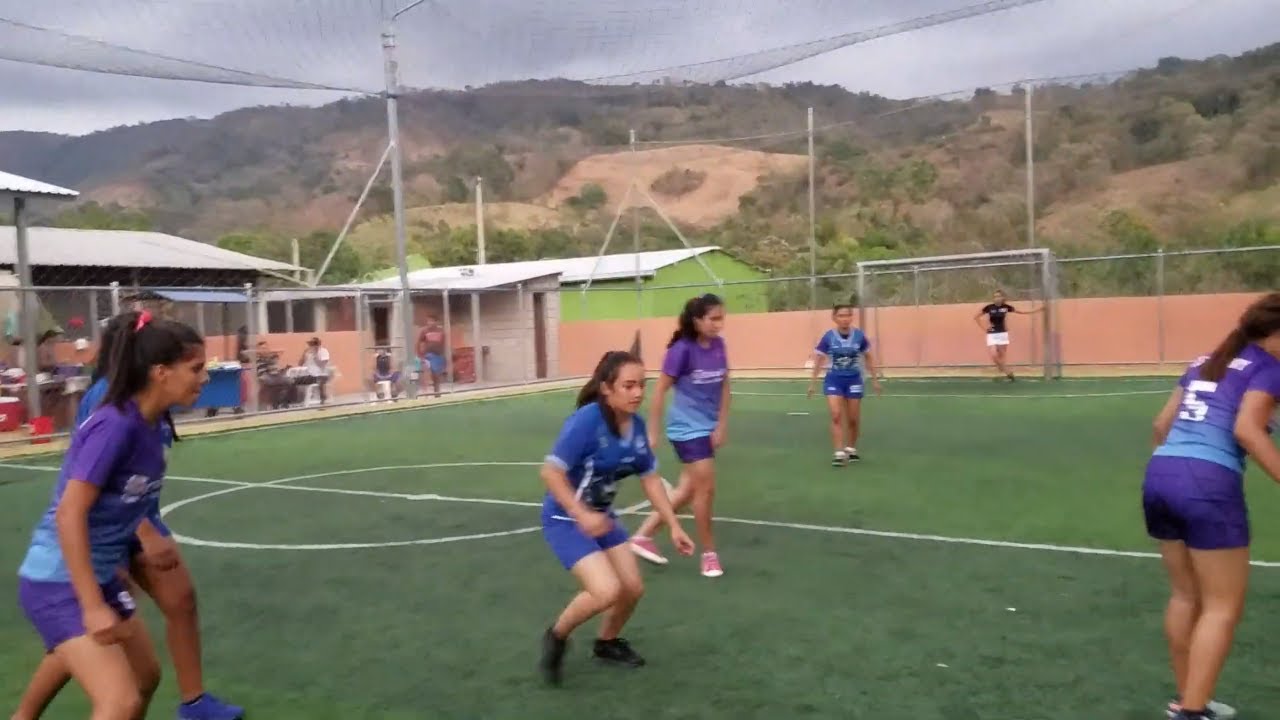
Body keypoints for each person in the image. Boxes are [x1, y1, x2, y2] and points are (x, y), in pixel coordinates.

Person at [12, 312, 243, 720]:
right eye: (195, 368)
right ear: (159, 372)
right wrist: (92, 604)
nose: (205, 378)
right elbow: (69, 513)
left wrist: (142, 541)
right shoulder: (114, 425)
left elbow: (123, 504)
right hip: (55, 581)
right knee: (119, 702)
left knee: (144, 678)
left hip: (98, 574)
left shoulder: (151, 427)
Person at [1145, 292, 1280, 720]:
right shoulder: (1271, 368)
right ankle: (1192, 711)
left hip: (1161, 474)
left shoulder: (1206, 360)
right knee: (1223, 606)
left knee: (1186, 596)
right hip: (1207, 484)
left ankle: (1188, 700)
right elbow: (1247, 430)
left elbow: (1161, 425)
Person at [538, 350, 694, 685]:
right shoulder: (586, 421)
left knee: (633, 588)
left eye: (642, 385)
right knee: (606, 590)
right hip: (566, 519)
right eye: (629, 385)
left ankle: (606, 643)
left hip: (602, 518)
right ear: (607, 388)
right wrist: (581, 514)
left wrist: (675, 525)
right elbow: (550, 473)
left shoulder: (636, 427)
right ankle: (556, 636)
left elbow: (650, 479)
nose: (638, 392)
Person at [628, 293, 730, 578]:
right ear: (697, 320)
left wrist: (721, 424)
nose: (719, 325)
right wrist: (652, 430)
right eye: (713, 319)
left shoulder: (720, 346)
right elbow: (659, 389)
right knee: (705, 490)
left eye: (722, 318)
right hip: (686, 429)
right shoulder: (682, 350)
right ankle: (709, 554)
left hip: (708, 427)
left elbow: (725, 386)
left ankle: (642, 536)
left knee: (686, 490)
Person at [807, 303, 882, 466]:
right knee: (836, 414)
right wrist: (812, 383)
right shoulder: (828, 337)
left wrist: (875, 380)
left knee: (853, 418)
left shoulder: (859, 336)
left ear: (851, 317)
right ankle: (839, 452)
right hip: (834, 379)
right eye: (841, 316)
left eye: (847, 315)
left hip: (854, 380)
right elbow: (819, 359)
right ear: (834, 318)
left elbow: (868, 357)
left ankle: (851, 448)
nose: (844, 319)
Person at [973, 290, 1042, 381]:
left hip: (1002, 334)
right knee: (993, 354)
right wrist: (985, 328)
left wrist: (1037, 310)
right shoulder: (989, 308)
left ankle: (1005, 372)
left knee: (1002, 356)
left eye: (999, 296)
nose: (997, 298)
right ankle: (1007, 371)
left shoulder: (1006, 307)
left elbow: (1022, 311)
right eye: (995, 296)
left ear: (1003, 298)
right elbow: (976, 317)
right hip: (992, 334)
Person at [416, 317, 446, 397]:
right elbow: (419, 343)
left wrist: (444, 355)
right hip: (428, 355)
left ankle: (437, 393)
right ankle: (426, 393)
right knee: (426, 372)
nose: (430, 323)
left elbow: (444, 344)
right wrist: (420, 355)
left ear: (436, 322)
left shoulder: (441, 331)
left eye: (432, 321)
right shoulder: (424, 331)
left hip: (438, 355)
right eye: (428, 321)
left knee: (436, 375)